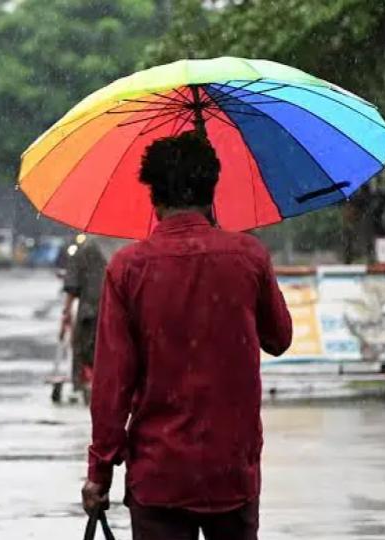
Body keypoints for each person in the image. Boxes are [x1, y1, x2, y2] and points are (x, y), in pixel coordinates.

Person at [80, 132, 292, 540]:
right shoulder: (249, 257)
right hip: (232, 471)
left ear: (153, 197)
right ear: (212, 189)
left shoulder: (128, 268)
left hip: (159, 476)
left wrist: (99, 472)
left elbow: (112, 386)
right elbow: (279, 338)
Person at [59, 234, 108, 393]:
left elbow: (73, 283)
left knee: (83, 348)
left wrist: (66, 311)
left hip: (90, 309)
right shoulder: (131, 246)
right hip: (118, 313)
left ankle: (83, 384)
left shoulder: (87, 248)